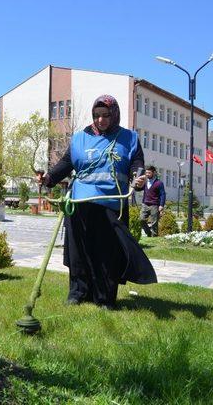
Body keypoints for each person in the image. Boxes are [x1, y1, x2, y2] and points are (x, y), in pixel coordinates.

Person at [37, 95, 157, 310]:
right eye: (97, 115)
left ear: (114, 114)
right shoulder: (79, 138)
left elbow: (137, 165)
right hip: (79, 203)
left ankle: (104, 299)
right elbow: (66, 163)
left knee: (106, 254)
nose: (101, 120)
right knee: (78, 252)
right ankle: (78, 293)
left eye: (106, 115)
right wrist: (48, 178)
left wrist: (137, 179)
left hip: (111, 204)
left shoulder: (129, 138)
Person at [140, 165, 166, 237]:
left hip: (154, 205)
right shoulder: (144, 182)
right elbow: (138, 188)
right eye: (146, 173)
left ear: (154, 173)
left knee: (154, 223)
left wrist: (161, 205)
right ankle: (148, 233)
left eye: (149, 173)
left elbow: (162, 194)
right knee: (141, 220)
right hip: (145, 204)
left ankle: (154, 236)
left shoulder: (159, 183)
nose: (147, 174)